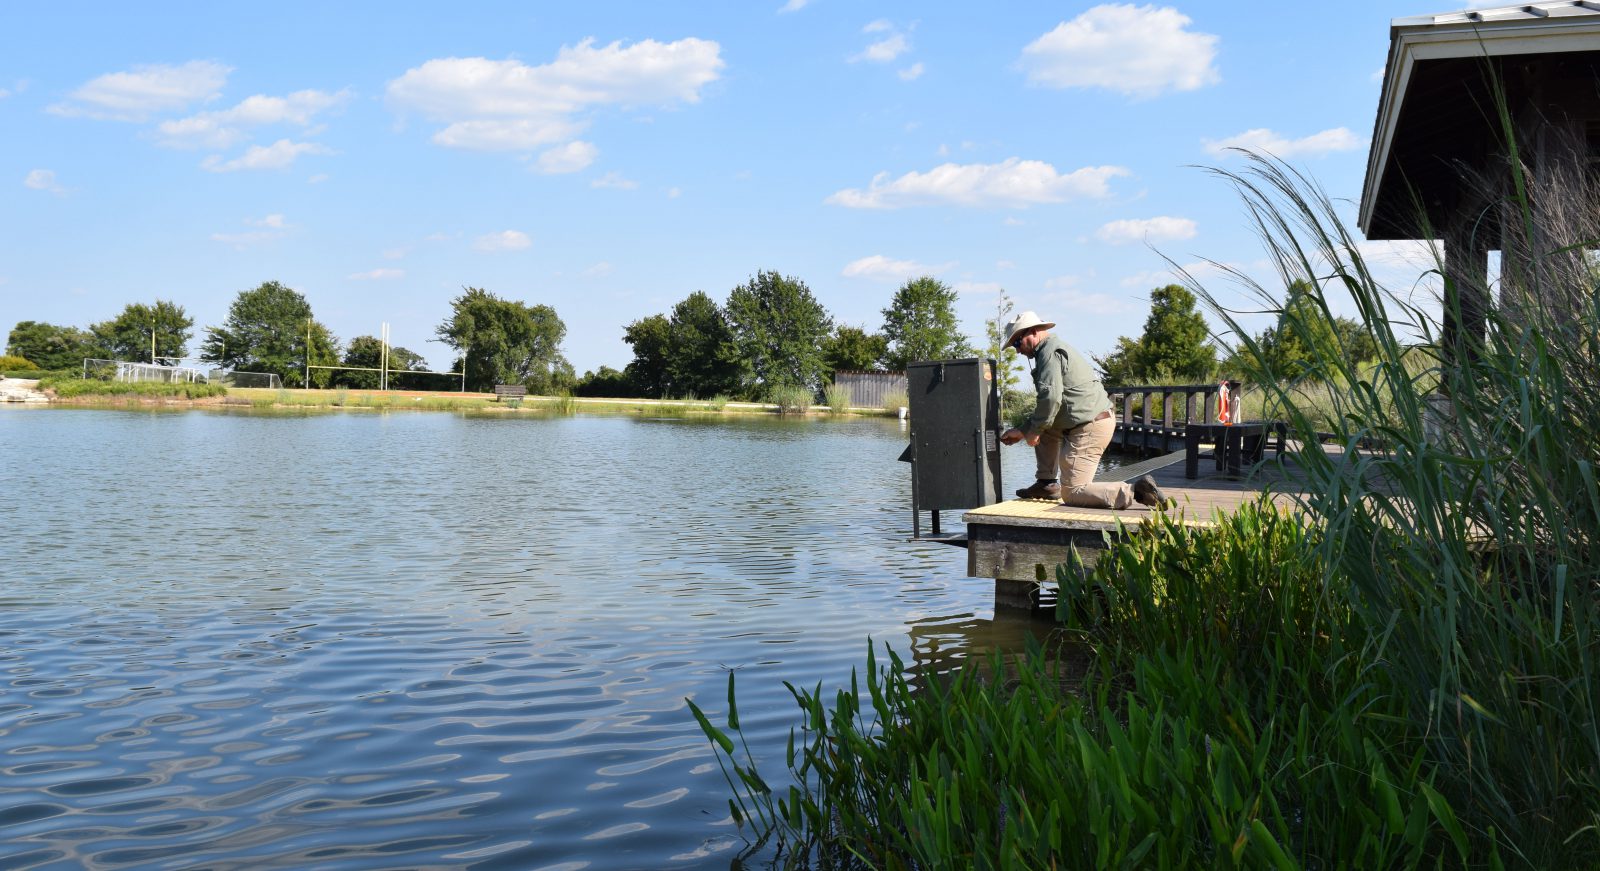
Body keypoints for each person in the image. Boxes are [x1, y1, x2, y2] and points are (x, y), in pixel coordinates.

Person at [998, 310, 1171, 510]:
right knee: (1045, 426)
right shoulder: (1052, 348)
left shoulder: (1048, 353)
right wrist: (1023, 431)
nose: (1018, 351)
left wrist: (1034, 431)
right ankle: (1046, 484)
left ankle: (1135, 491)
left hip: (1090, 427)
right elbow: (1052, 406)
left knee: (1073, 492)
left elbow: (1050, 398)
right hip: (1092, 420)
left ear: (1033, 332)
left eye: (1017, 343)